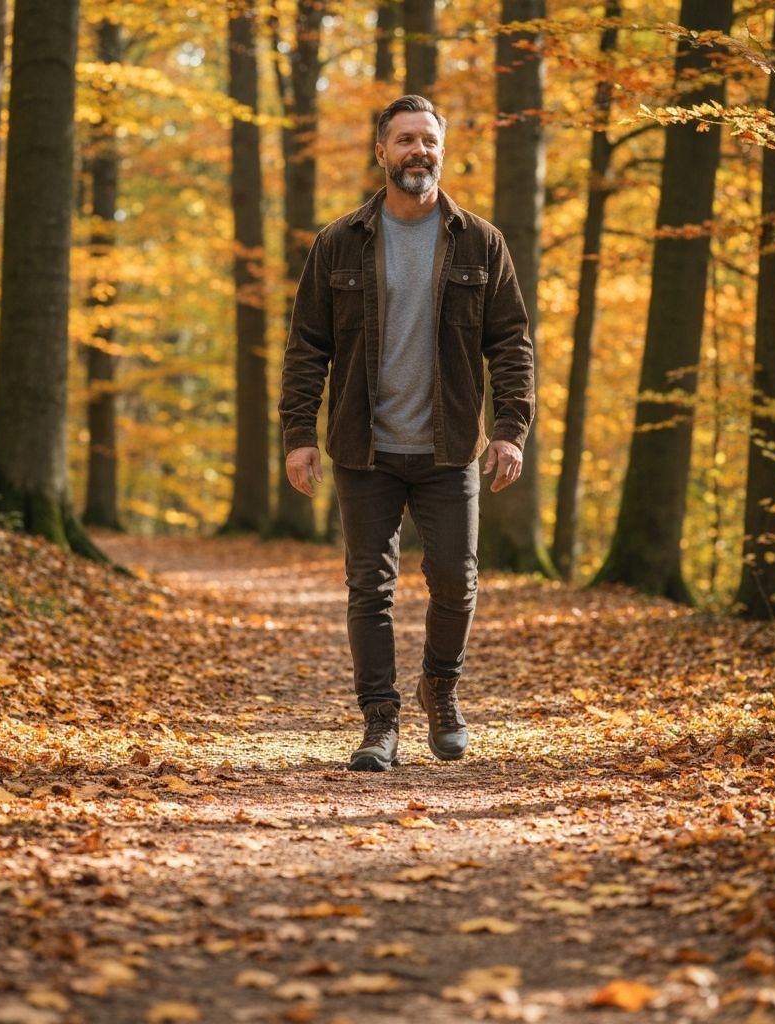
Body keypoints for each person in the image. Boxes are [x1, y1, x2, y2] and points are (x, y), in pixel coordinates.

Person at [278, 94, 535, 771]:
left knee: (456, 580)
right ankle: (379, 722)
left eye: (429, 140)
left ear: (441, 151)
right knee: (371, 587)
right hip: (364, 448)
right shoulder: (341, 241)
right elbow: (307, 344)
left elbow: (511, 343)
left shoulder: (481, 241)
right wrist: (297, 433)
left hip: (449, 447)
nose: (419, 150)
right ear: (381, 152)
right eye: (405, 139)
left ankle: (441, 691)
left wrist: (510, 429)